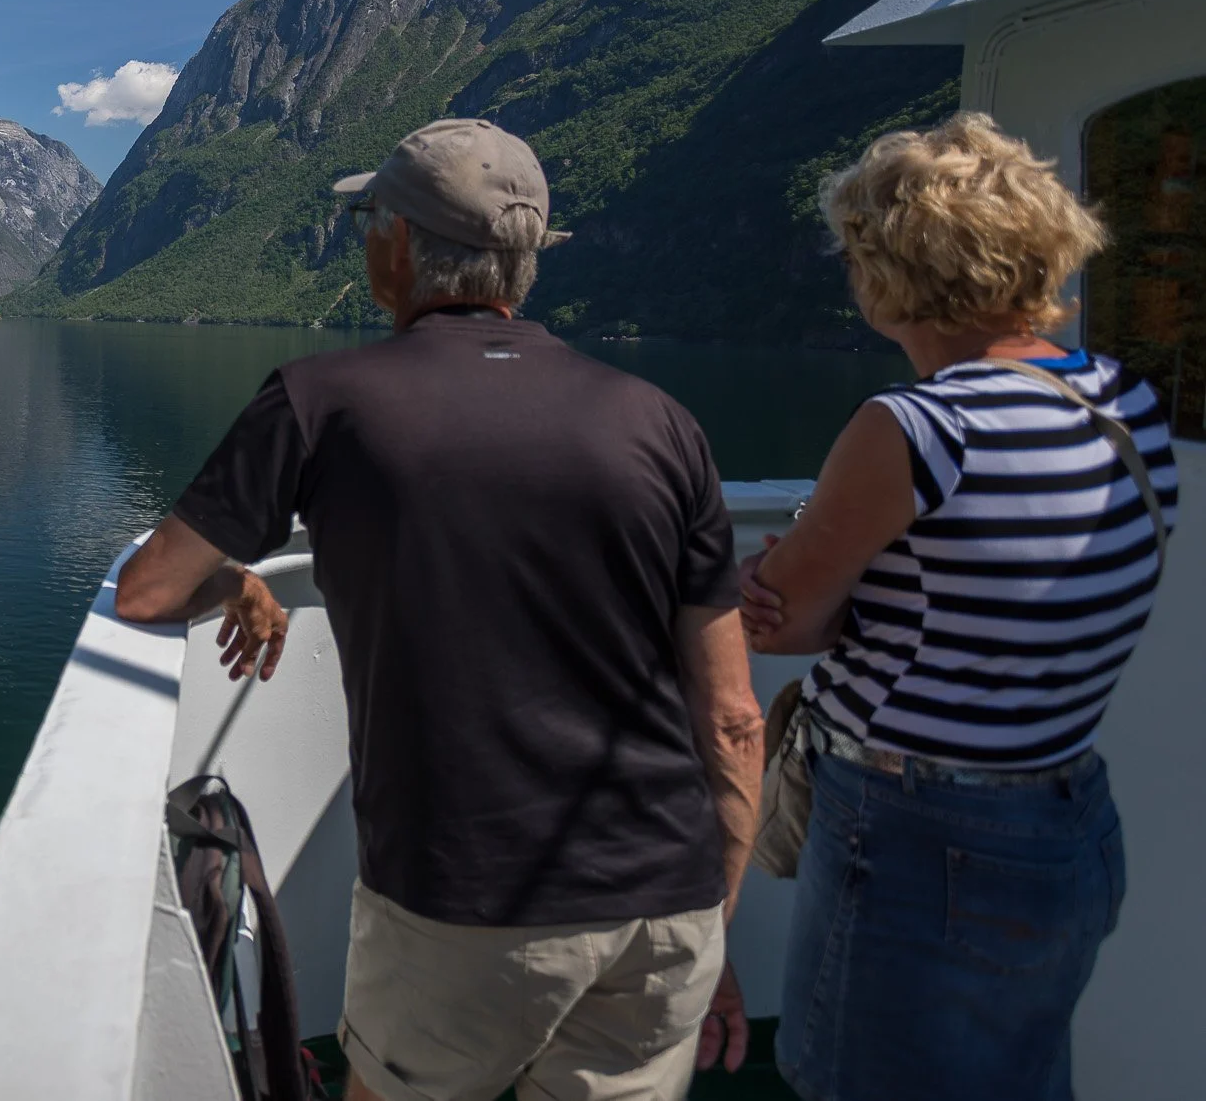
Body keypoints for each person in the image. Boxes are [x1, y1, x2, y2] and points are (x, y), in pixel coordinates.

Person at [115, 118, 766, 1101]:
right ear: (522, 261)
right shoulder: (659, 421)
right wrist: (712, 918)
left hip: (464, 900)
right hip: (663, 900)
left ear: (402, 246)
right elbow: (730, 716)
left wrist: (241, 579)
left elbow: (149, 587)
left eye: (369, 218)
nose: (365, 237)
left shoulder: (319, 399)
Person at [738, 112, 1175, 1101]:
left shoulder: (918, 425)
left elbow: (786, 619)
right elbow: (1007, 586)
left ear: (888, 273)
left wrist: (808, 581)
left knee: (852, 1074)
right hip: (1066, 809)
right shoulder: (1122, 398)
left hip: (917, 832)